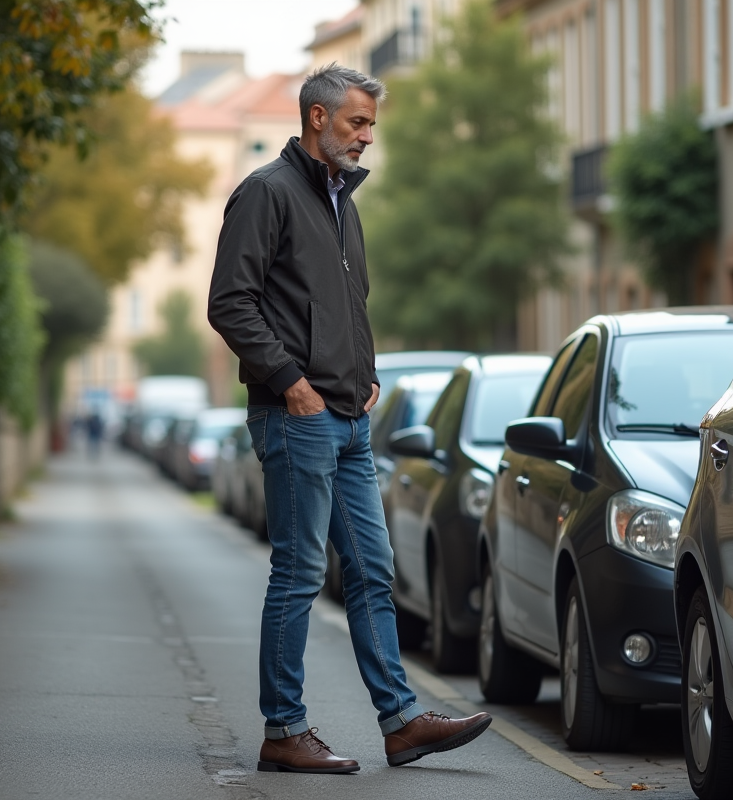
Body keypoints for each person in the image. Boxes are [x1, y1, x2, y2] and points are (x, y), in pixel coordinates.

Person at [207, 63, 491, 774]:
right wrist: (291, 384)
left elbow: (347, 303)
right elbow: (230, 302)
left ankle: (399, 721)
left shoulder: (342, 202)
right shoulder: (265, 194)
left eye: (370, 124)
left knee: (372, 568)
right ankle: (284, 729)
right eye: (357, 122)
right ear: (317, 119)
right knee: (300, 571)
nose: (368, 136)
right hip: (295, 416)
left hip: (348, 419)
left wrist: (364, 373)